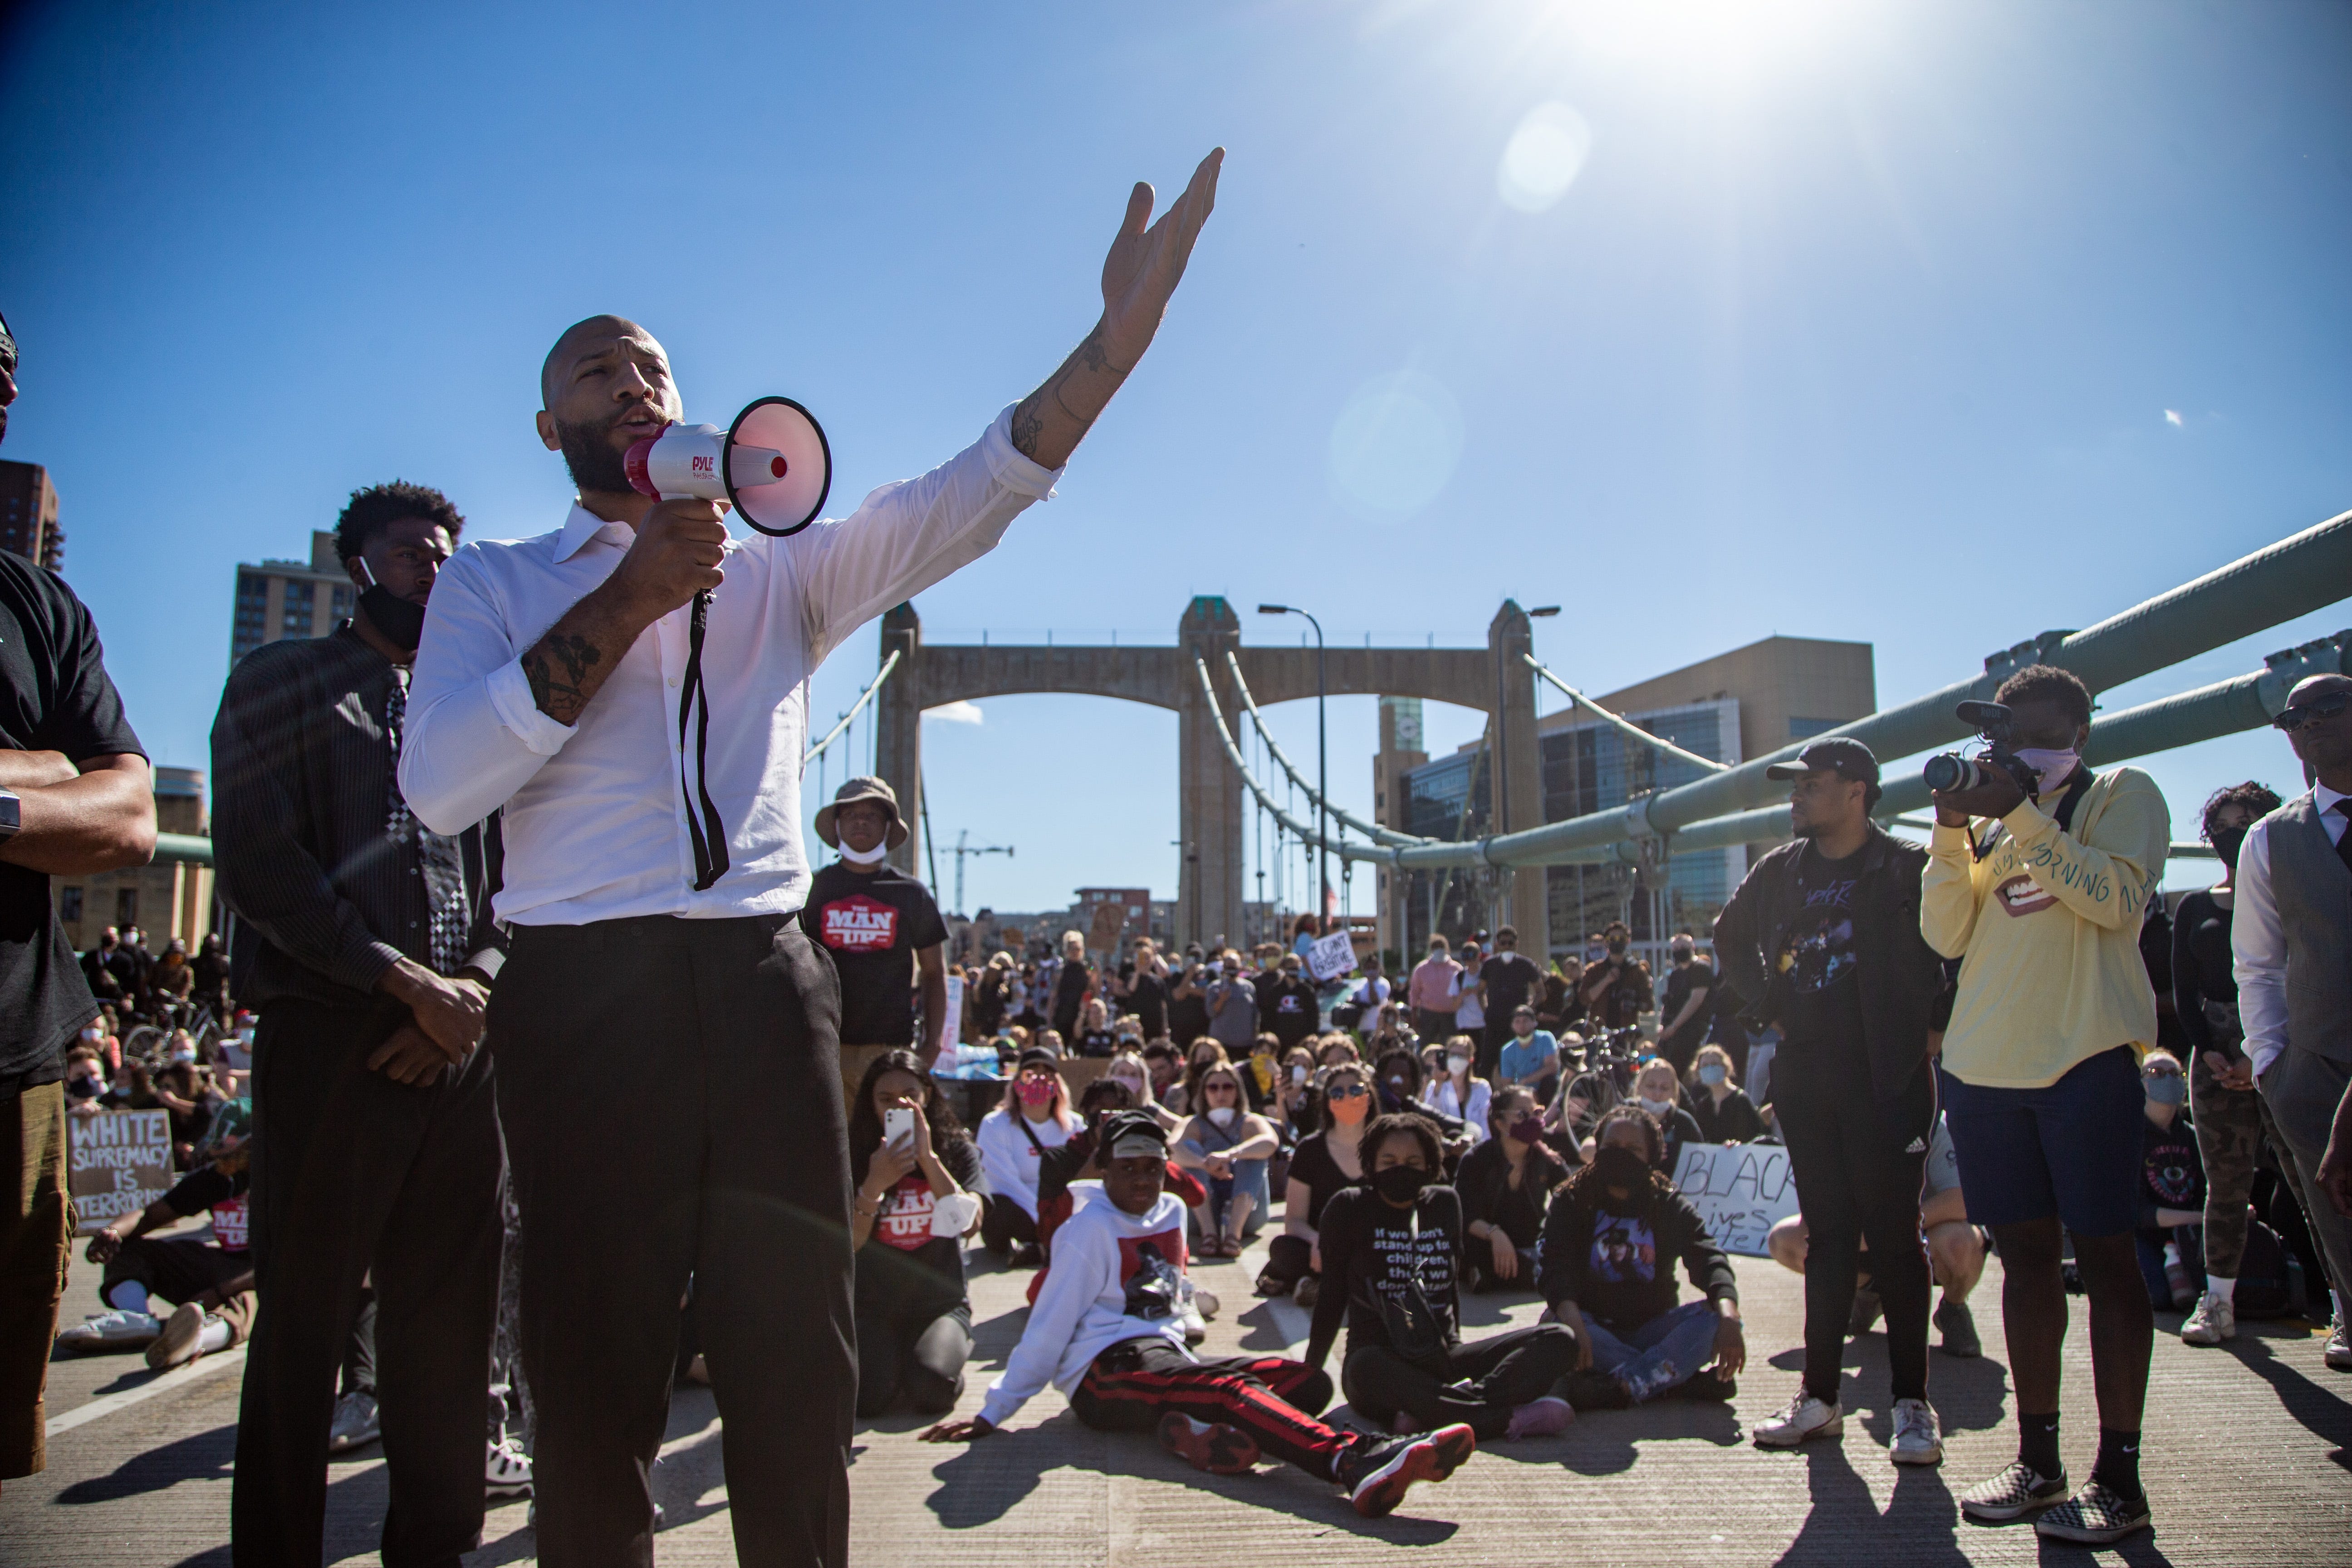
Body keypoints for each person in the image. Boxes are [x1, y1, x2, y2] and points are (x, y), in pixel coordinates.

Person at [395, 149, 1219, 1568]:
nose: (633, 384)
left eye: (650, 367)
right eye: (597, 373)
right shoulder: (496, 582)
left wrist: (1115, 349)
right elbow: (441, 782)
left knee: (795, 1357)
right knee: (592, 1366)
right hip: (582, 991)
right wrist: (636, 589)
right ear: (549, 424)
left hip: (764, 981)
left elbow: (974, 489)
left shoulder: (776, 564)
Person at [212, 478, 516, 1563]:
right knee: (301, 1333)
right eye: (405, 555)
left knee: (448, 1335)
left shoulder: (477, 707)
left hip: (460, 1055)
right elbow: (259, 864)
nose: (429, 573)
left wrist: (468, 990)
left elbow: (516, 877)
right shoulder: (283, 681)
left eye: (443, 555)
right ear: (358, 566)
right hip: (333, 1045)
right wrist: (403, 985)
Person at [924, 1111, 1473, 1515]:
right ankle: (1353, 1462)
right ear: (1106, 1171)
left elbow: (1171, 1288)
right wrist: (993, 1411)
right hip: (1105, 1374)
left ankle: (1190, 1427)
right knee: (1235, 1394)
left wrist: (1187, 1330)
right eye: (1128, 1168)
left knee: (1308, 1383)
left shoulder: (1168, 1210)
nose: (1142, 1180)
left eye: (1153, 1168)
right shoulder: (1085, 1228)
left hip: (1165, 1356)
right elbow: (1049, 1328)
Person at [1922, 663, 2171, 1543]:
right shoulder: (1988, 830)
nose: (2018, 749)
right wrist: (1953, 830)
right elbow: (1945, 933)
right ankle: (2039, 1460)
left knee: (2106, 1262)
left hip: (2085, 1062)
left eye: (2040, 731)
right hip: (1987, 1071)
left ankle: (2121, 1476)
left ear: (2082, 733)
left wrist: (2022, 813)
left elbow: (2115, 902)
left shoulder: (2120, 793)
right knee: (2025, 1265)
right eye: (2003, 736)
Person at [0, 320, 157, 1490]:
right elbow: (77, 786)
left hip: (18, 1060)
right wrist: (37, 774)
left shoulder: (38, 605)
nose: (6, 375)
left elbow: (129, 814)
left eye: (10, 357)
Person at [1714, 736, 1950, 1466]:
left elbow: (1961, 948)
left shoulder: (1909, 868)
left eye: (1810, 785)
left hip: (1889, 1074)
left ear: (1857, 791)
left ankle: (1912, 1405)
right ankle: (1818, 1400)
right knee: (1828, 1236)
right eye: (1795, 787)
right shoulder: (1780, 871)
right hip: (1808, 1073)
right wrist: (1768, 1013)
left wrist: (1935, 1032)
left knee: (1898, 1235)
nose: (1796, 797)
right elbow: (1729, 937)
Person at [1308, 1111, 1583, 1441]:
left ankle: (1436, 1411)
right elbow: (1331, 1296)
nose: (1401, 1170)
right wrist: (1309, 1375)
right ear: (1371, 1164)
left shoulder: (1444, 1204)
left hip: (1442, 1358)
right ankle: (1502, 1420)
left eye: (1413, 1162)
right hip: (1379, 1359)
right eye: (1389, 1161)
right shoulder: (1349, 1207)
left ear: (1430, 1165)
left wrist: (1455, 1349)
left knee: (1558, 1339)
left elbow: (1449, 1287)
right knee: (1368, 1370)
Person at [2233, 673, 2352, 1374]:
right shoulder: (2271, 841)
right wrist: (2276, 1065)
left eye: (2329, 709)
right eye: (2293, 719)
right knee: (2340, 1225)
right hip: (2314, 1072)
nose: (2309, 726)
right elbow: (2259, 964)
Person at [2172, 781, 2292, 1345]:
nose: (2231, 834)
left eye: (2245, 821)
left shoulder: (2291, 897)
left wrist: (2254, 1052)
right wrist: (2218, 1054)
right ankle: (2217, 1302)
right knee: (2226, 1186)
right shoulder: (2197, 906)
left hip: (2283, 1045)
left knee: (2308, 1180)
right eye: (2220, 825)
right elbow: (2184, 992)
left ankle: (2343, 1303)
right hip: (2214, 1057)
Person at [1538, 1105, 1745, 1407]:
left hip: (1655, 1329)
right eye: (1611, 1147)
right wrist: (1572, 1321)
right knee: (1555, 1326)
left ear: (1652, 1155)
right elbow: (1554, 1269)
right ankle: (1672, 1381)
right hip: (1591, 1327)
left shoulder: (1667, 1201)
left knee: (1719, 1319)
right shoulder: (1571, 1198)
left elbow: (1708, 1257)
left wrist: (1729, 1315)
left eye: (1633, 1149)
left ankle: (1618, 1386)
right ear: (1598, 1148)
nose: (1621, 1155)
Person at [1765, 1110, 1989, 1361]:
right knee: (1783, 1241)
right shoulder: (1830, 1125)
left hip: (1925, 1235)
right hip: (1865, 1238)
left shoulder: (1935, 1123)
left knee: (1960, 1243)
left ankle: (1954, 1307)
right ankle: (1869, 1290)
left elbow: (1962, 1201)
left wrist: (1894, 1224)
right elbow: (1815, 1208)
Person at [57, 1108, 255, 1371]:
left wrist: (218, 1292)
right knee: (129, 1246)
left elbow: (291, 1261)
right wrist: (113, 1232)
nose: (221, 1159)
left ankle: (197, 1338)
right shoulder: (217, 1178)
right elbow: (149, 1215)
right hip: (227, 1267)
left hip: (268, 1276)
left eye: (230, 1152)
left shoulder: (285, 1182)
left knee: (254, 1303)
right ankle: (137, 1319)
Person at [848, 1051, 981, 1418]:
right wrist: (874, 1185)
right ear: (870, 1104)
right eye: (886, 1100)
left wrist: (928, 1159)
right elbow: (850, 1245)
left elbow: (970, 1224)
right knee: (868, 1400)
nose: (899, 1106)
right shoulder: (854, 1155)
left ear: (928, 1096)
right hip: (873, 1306)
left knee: (931, 1388)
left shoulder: (956, 1149)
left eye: (910, 1096)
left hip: (939, 1303)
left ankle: (942, 1352)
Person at [803, 776, 950, 1064]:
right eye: (850, 815)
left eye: (871, 815)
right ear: (837, 825)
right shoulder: (810, 890)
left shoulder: (912, 894)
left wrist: (933, 1044)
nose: (861, 822)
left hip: (891, 1050)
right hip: (823, 1047)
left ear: (887, 826)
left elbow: (934, 972)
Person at [1258, 1062, 1372, 1304]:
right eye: (1337, 1093)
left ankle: (1323, 1288)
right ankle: (1340, 1288)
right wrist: (1318, 1240)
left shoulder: (1384, 1146)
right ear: (1328, 1102)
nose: (1347, 1098)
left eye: (1356, 1090)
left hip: (1368, 1244)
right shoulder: (1310, 1149)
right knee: (1284, 1250)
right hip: (1320, 1248)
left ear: (1369, 1097)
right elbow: (1294, 1221)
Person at [1455, 1087, 1570, 1293]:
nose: (1534, 1121)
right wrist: (1495, 1234)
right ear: (1500, 1124)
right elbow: (1465, 1216)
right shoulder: (1476, 1160)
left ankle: (1503, 1275)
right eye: (1522, 1115)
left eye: (1537, 1113)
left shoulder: (1548, 1161)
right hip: (1486, 1243)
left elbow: (1572, 1200)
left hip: (1529, 1245)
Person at [979, 1049, 1078, 1266]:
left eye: (1047, 1075)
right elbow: (1004, 1182)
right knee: (998, 1210)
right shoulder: (995, 1125)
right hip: (1020, 1209)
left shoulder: (1076, 1125)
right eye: (1030, 1073)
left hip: (1061, 1208)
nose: (1039, 1080)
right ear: (1017, 1082)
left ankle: (1038, 1248)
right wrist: (1044, 1220)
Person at [1173, 1059, 1278, 1256]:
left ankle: (1233, 1234)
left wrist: (1231, 1155)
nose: (1220, 1094)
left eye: (1227, 1087)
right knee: (1189, 1148)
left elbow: (1270, 1142)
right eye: (1213, 1088)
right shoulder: (1193, 1124)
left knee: (1254, 1151)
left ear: (1237, 1091)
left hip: (1248, 1213)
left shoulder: (1250, 1121)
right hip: (1200, 1211)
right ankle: (1209, 1234)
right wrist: (1205, 1164)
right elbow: (1172, 1148)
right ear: (1204, 1092)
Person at [2132, 1051, 2206, 1310]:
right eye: (2156, 1073)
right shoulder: (2128, 1139)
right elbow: (2141, 1214)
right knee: (2158, 1297)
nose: (2169, 1079)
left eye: (2177, 1074)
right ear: (2139, 1083)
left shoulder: (2196, 1137)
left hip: (2192, 1236)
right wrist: (2207, 1218)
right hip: (2145, 1237)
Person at [1475, 926, 1543, 1079]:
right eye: (1503, 943)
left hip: (1517, 1023)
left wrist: (1528, 1011)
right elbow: (1480, 992)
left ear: (1516, 944)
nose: (1507, 946)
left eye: (1510, 943)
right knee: (1486, 1065)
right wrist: (1486, 1011)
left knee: (1517, 1062)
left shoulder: (1526, 964)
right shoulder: (1489, 965)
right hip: (1494, 1021)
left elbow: (1541, 992)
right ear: (1497, 944)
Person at [1627, 1058, 1703, 1176]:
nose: (1657, 1094)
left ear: (1673, 1092)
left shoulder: (1683, 1122)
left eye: (1664, 1088)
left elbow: (1703, 1158)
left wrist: (1729, 1151)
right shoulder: (1625, 1113)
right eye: (1651, 1086)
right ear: (1639, 1087)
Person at [1653, 934, 1715, 1073]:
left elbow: (1696, 1000)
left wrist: (1675, 1026)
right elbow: (1668, 1002)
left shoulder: (1701, 969)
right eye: (1676, 948)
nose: (1680, 950)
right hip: (1672, 1033)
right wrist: (1663, 1026)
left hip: (1692, 1032)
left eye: (1683, 947)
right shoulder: (1676, 974)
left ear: (1693, 947)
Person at [1686, 1044, 1766, 1145]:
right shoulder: (1704, 1105)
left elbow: (1752, 1137)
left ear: (1725, 1067)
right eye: (1705, 1066)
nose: (1710, 1068)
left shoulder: (1741, 1100)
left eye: (1714, 1064)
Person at [1579, 922, 1653, 1031]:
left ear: (1628, 941)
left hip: (1626, 1032)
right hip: (1599, 1033)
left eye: (1621, 939)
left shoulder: (1637, 971)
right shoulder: (1595, 970)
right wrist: (1606, 980)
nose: (1617, 942)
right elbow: (1584, 999)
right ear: (1606, 942)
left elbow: (1648, 1005)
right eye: (1612, 939)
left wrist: (1633, 1001)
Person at [1426, 1036, 1490, 1144]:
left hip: (1474, 1147)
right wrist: (1438, 1085)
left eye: (1461, 1055)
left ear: (1471, 1059)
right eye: (1453, 1055)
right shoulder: (1435, 1086)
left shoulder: (1482, 1088)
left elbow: (1485, 1123)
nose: (1456, 1059)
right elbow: (1429, 1118)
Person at [1495, 1006, 1562, 1106]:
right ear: (1512, 1025)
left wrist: (1526, 1081)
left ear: (1535, 1022)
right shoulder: (1507, 1050)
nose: (1522, 1025)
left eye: (1525, 1021)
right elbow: (1507, 1083)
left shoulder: (1546, 1038)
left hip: (1546, 1089)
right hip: (1524, 1093)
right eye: (1517, 1022)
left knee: (1550, 1081)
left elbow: (1553, 1068)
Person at [1409, 936, 1463, 1043]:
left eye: (1441, 946)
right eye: (1436, 947)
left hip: (1450, 1015)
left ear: (1446, 948)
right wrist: (1414, 1013)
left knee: (1449, 1044)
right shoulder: (1421, 969)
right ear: (1431, 949)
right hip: (1428, 1014)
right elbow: (1414, 992)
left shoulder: (1456, 968)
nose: (1439, 949)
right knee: (1427, 1045)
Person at [1050, 929, 1095, 1042]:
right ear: (1066, 950)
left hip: (1082, 1013)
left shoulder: (1088, 970)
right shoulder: (1060, 971)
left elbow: (1094, 991)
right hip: (1063, 1014)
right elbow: (1052, 996)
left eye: (1078, 949)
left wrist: (1095, 970)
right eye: (1072, 949)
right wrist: (1049, 1020)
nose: (1075, 952)